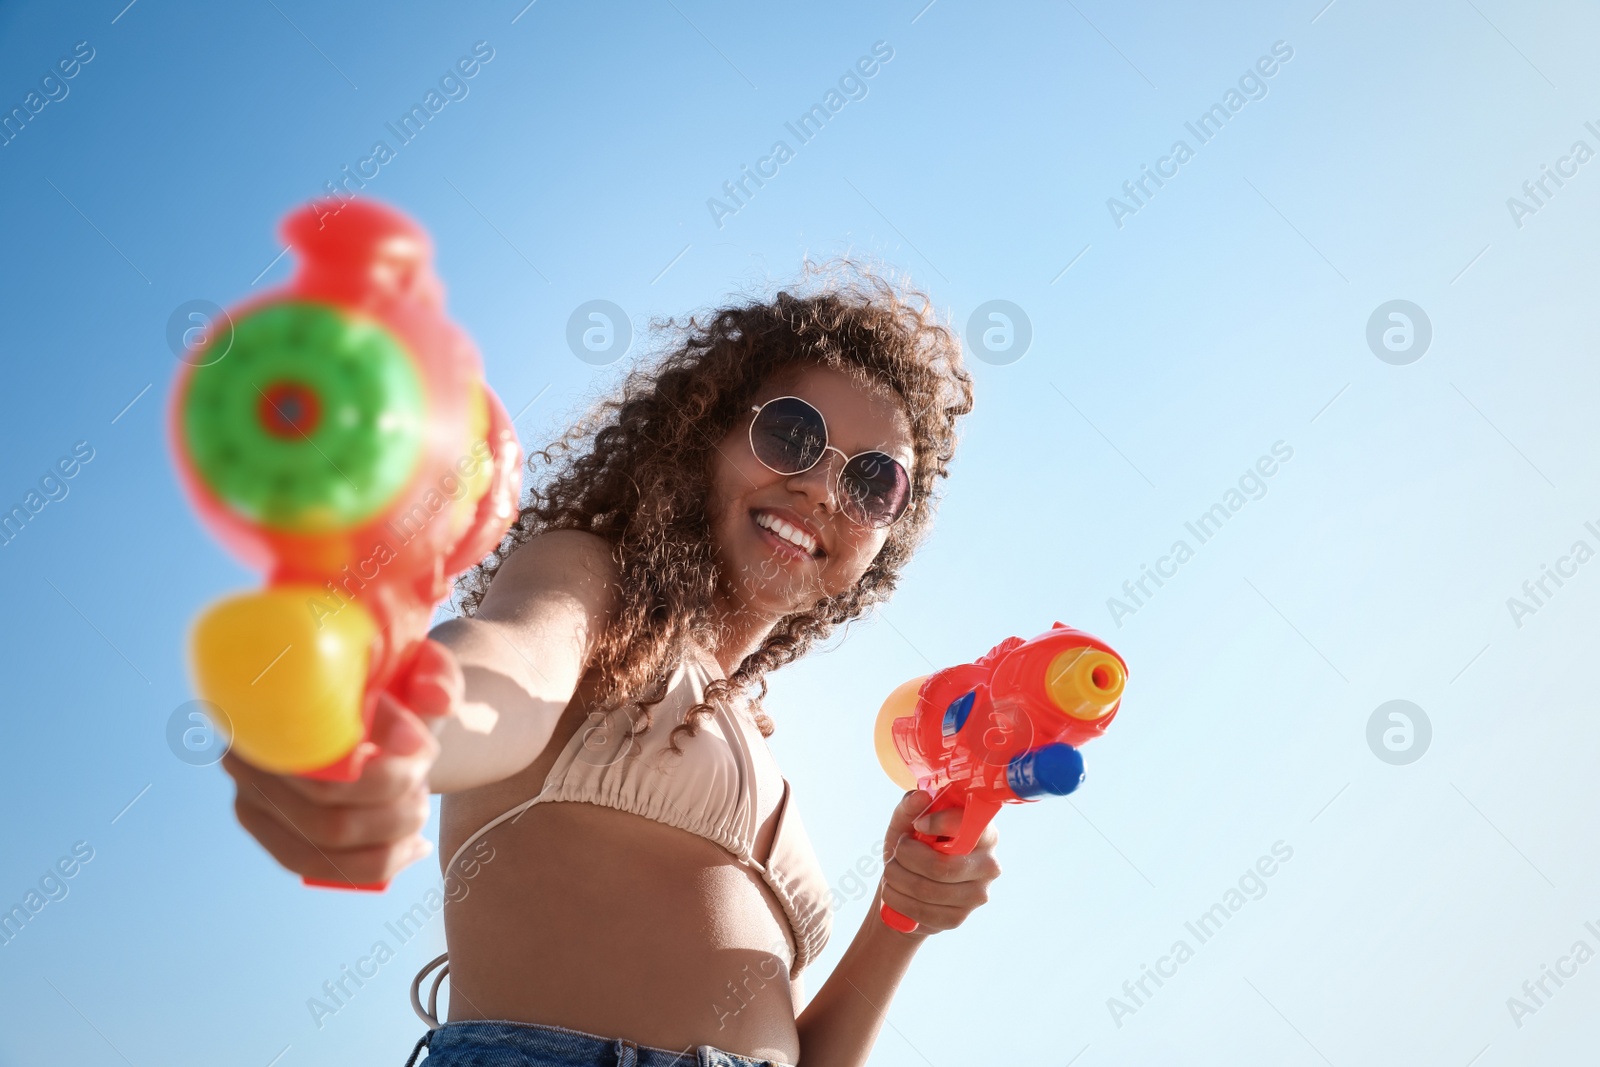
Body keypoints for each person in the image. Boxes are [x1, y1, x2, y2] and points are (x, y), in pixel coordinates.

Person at [222, 262, 994, 1067]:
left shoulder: (751, 742)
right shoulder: (596, 581)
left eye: (875, 481)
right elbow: (513, 665)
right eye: (793, 436)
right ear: (707, 434)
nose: (823, 490)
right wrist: (390, 721)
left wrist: (900, 915)